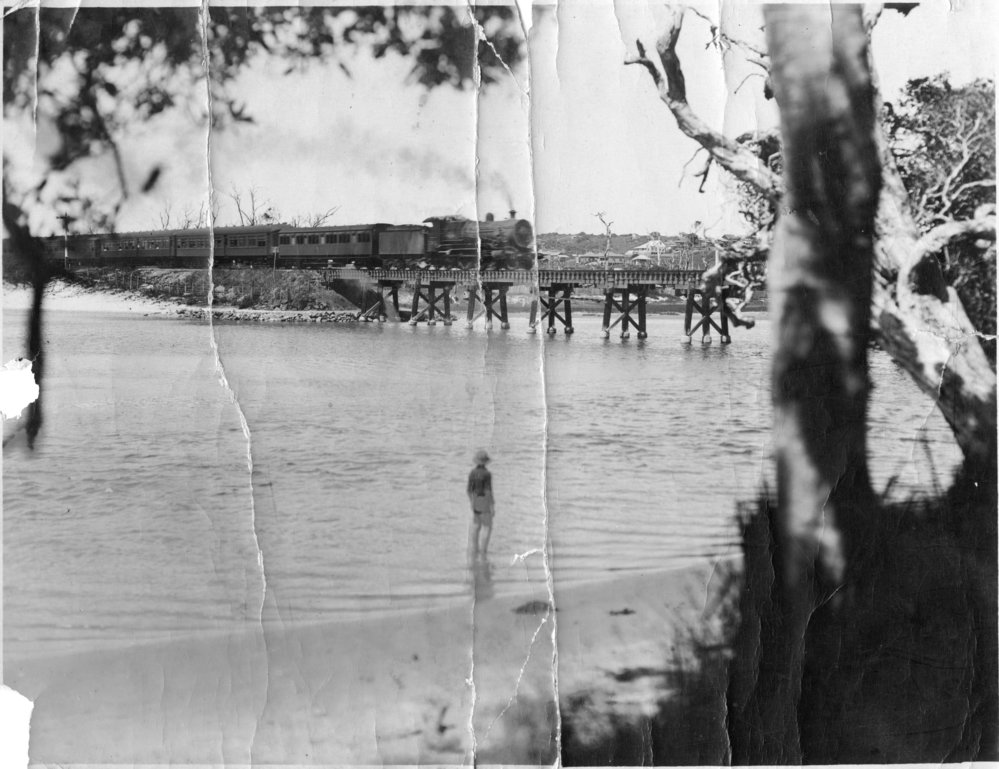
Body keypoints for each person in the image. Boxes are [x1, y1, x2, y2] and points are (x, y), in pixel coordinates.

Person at [467, 449, 495, 558]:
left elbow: (469, 490)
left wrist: (472, 502)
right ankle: (483, 552)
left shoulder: (472, 473)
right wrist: (492, 506)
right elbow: (488, 491)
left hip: (475, 501)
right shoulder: (487, 474)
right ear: (485, 462)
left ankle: (474, 550)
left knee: (475, 526)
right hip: (484, 502)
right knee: (487, 527)